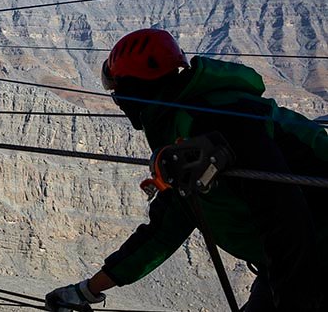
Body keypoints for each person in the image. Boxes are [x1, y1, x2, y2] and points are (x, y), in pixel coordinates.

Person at [45, 28, 328, 312]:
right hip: (294, 260)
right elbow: (165, 229)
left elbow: (285, 217)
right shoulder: (185, 128)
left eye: (119, 91)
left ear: (134, 90)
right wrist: (87, 291)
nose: (118, 101)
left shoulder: (217, 121)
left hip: (308, 256)